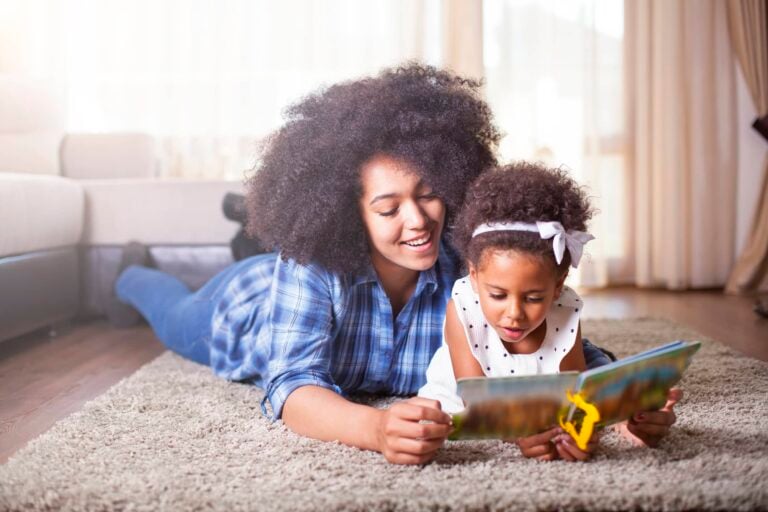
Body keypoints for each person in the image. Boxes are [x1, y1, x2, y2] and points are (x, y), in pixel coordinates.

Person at [109, 63, 612, 465]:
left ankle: (242, 232)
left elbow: (564, 347)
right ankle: (130, 269)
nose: (418, 221)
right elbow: (291, 383)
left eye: (430, 195)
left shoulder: (473, 267)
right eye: (389, 209)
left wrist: (627, 407)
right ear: (348, 213)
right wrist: (376, 428)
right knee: (170, 309)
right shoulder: (310, 264)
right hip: (246, 306)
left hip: (291, 275)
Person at [418, 162, 682, 462]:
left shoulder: (565, 310)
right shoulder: (462, 306)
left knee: (605, 386)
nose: (514, 313)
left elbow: (575, 393)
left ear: (557, 287)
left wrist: (577, 434)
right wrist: (519, 433)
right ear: (474, 276)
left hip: (544, 401)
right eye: (497, 295)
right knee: (429, 424)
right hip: (466, 403)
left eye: (532, 297)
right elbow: (476, 403)